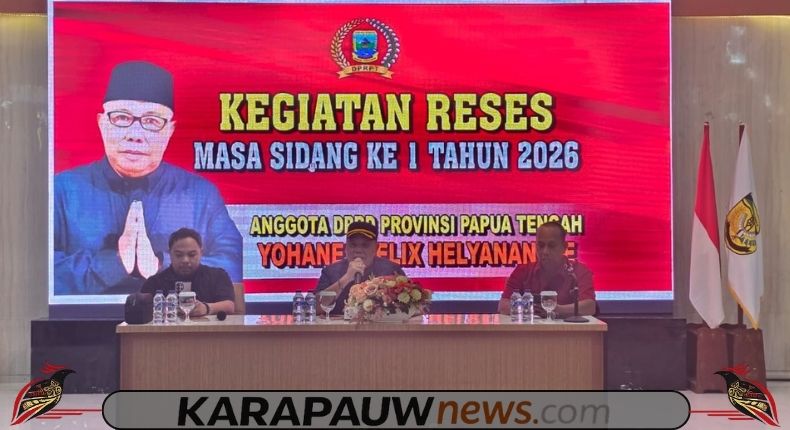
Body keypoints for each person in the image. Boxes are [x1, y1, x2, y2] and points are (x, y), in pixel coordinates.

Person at [54, 61, 242, 295]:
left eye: (152, 121)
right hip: (83, 320)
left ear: (169, 131)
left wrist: (162, 266)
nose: (135, 135)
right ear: (102, 124)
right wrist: (113, 263)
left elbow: (233, 265)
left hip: (179, 318)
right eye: (122, 118)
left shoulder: (200, 195)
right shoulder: (62, 190)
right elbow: (39, 271)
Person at [498, 221, 596, 317]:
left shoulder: (578, 271)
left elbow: (590, 307)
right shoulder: (523, 271)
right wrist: (531, 308)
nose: (545, 251)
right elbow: (503, 306)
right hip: (531, 327)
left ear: (564, 247)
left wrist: (555, 309)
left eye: (551, 246)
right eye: (541, 245)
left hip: (566, 327)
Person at [315, 221, 405, 314]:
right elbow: (315, 308)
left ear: (376, 248)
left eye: (365, 245)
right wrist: (346, 278)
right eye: (353, 245)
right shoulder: (330, 271)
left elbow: (413, 307)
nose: (358, 250)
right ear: (345, 247)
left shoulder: (391, 270)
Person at [140, 228, 235, 316]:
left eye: (191, 255)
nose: (185, 260)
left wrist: (206, 308)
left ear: (201, 253)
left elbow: (229, 306)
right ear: (170, 254)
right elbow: (141, 308)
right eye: (179, 255)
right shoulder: (154, 282)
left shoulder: (217, 276)